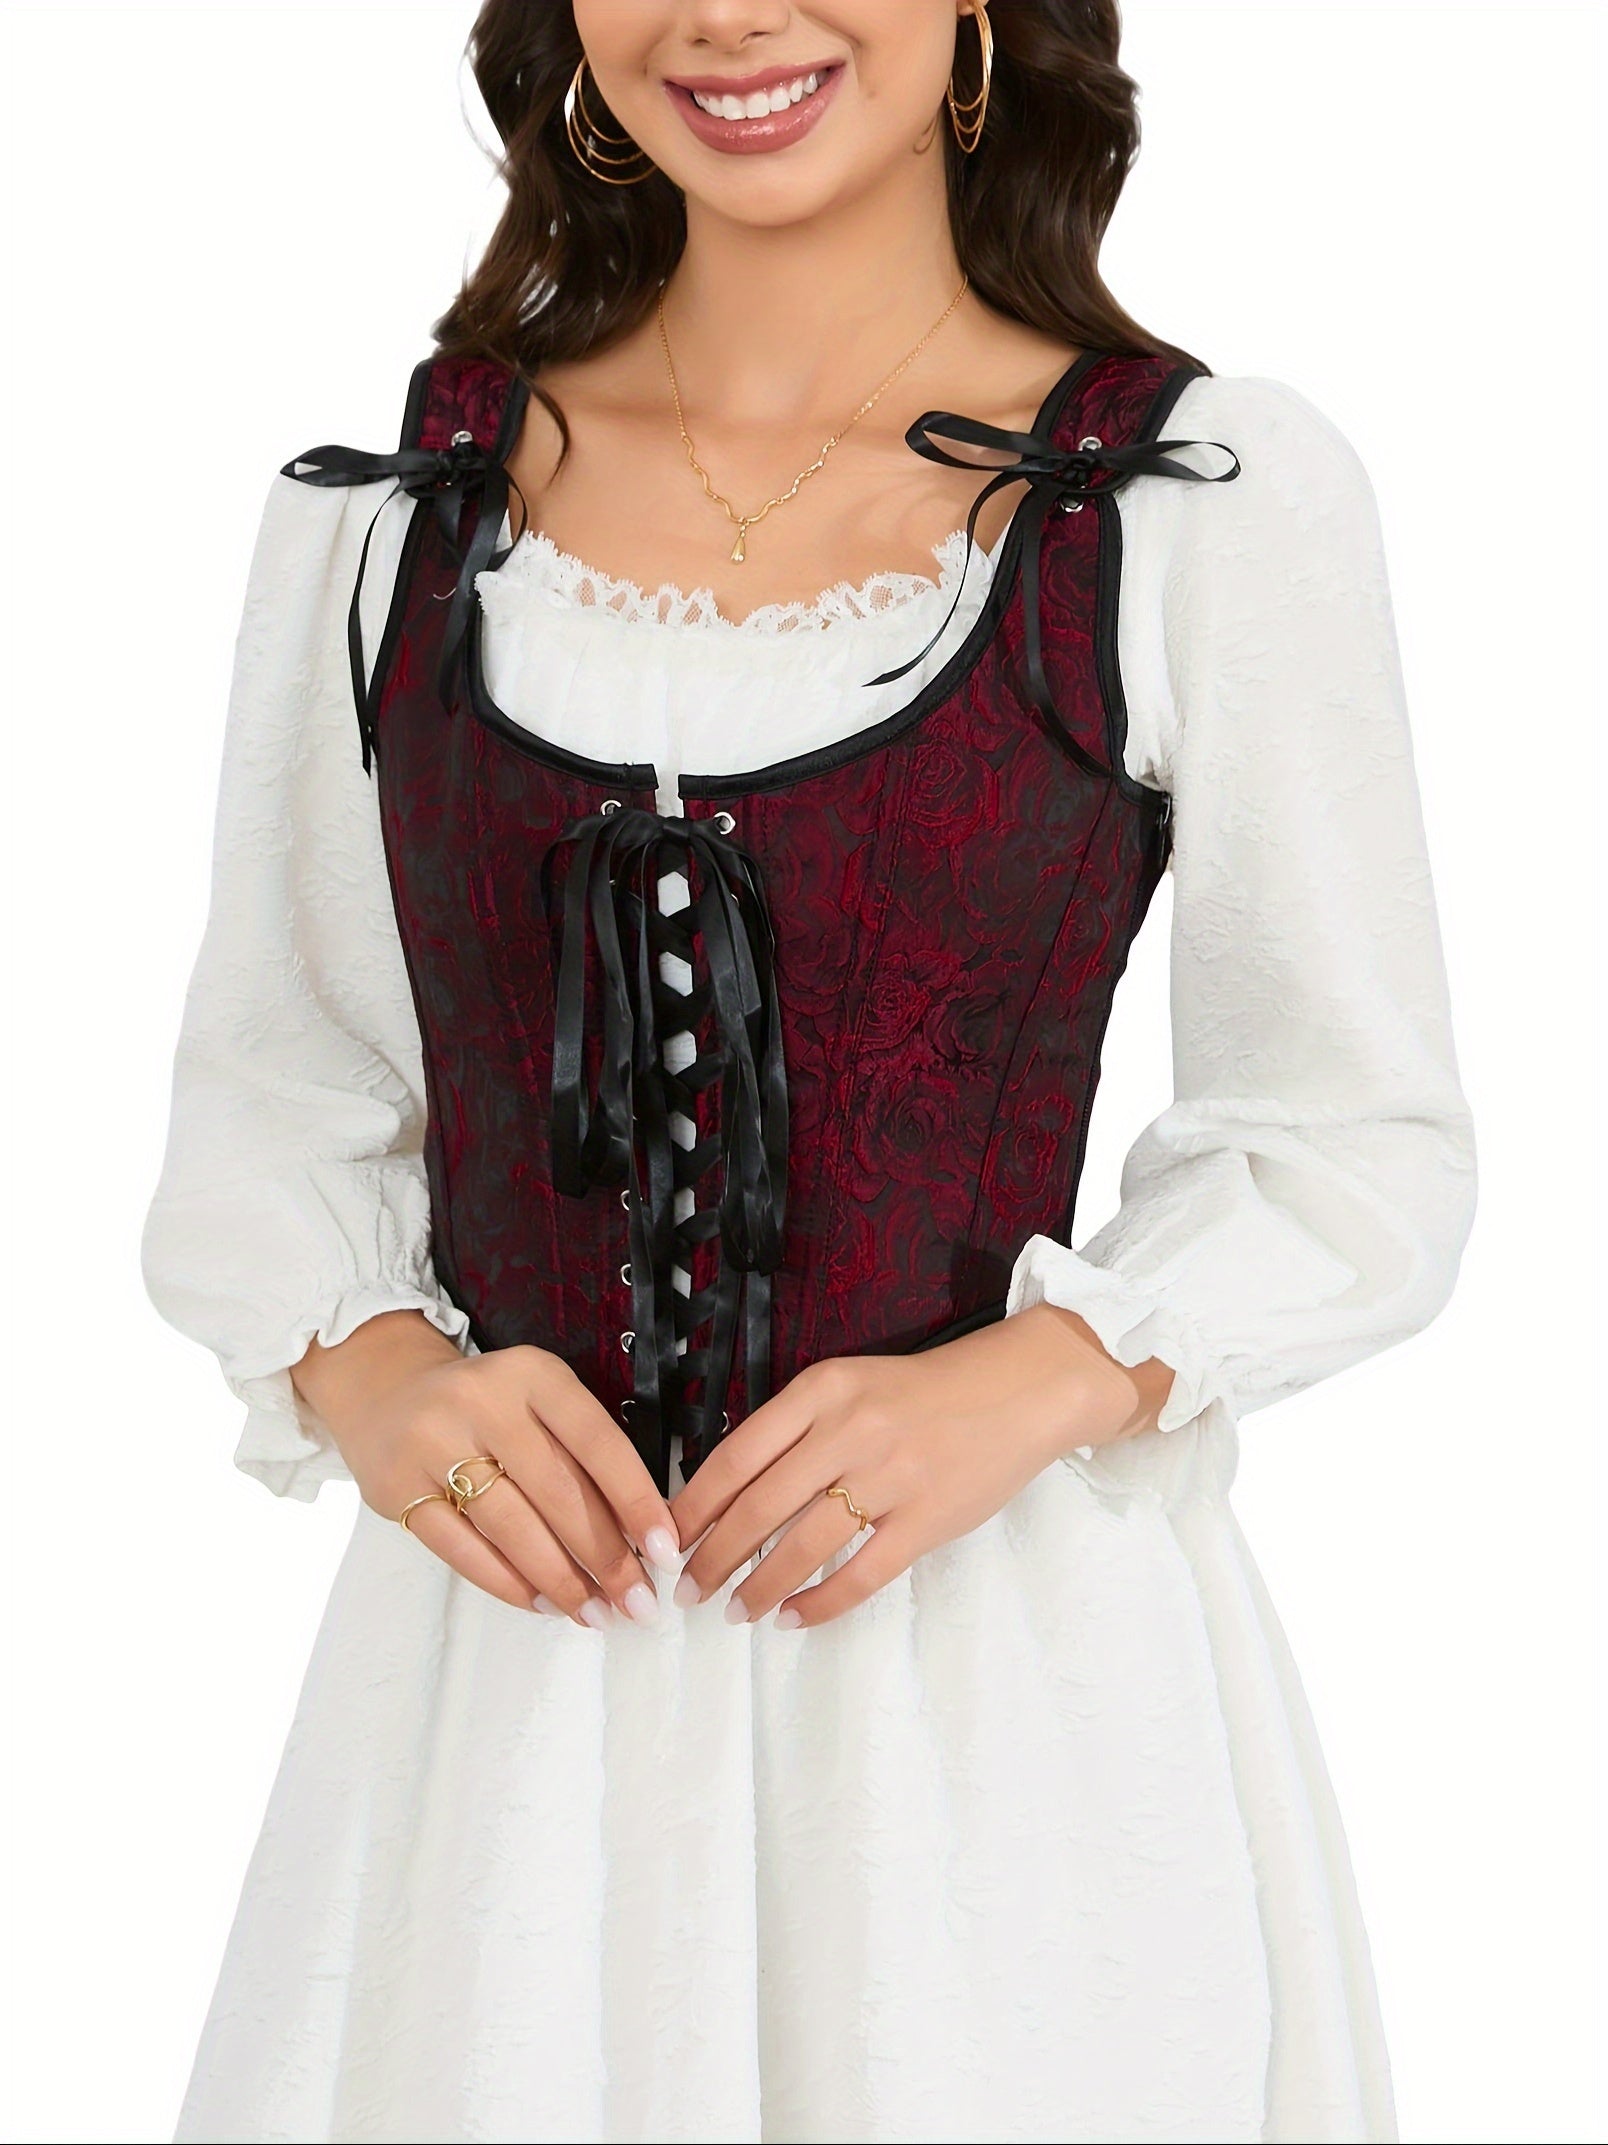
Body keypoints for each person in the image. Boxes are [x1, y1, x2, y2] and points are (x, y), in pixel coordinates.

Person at [140, 3, 1477, 2139]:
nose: (732, 14)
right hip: (503, 1718)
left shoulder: (1188, 503)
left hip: (992, 1720)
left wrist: (1029, 1381)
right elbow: (276, 1089)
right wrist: (383, 1379)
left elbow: (1354, 1134)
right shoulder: (397, 517)